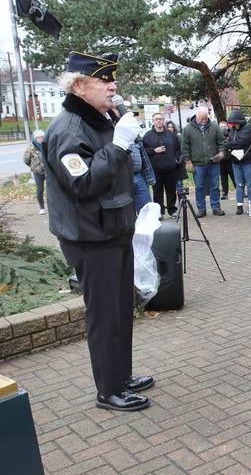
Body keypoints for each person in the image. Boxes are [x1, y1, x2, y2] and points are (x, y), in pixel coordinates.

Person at [43, 51, 153, 412]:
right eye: (103, 80)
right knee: (105, 315)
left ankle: (120, 375)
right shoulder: (69, 130)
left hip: (111, 231)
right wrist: (119, 144)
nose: (113, 85)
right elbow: (84, 182)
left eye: (113, 79)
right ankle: (108, 390)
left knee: (122, 308)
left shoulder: (101, 119)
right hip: (90, 238)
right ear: (79, 86)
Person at [181, 106, 226, 217]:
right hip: (197, 164)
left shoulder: (214, 127)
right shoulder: (188, 129)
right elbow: (184, 147)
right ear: (197, 116)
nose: (204, 121)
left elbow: (222, 142)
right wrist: (188, 161)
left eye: (205, 118)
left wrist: (221, 153)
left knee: (215, 186)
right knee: (199, 187)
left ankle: (216, 207)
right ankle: (201, 209)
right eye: (202, 119)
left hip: (213, 162)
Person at [143, 112, 181, 217]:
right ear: (153, 121)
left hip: (170, 168)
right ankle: (159, 212)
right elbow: (144, 150)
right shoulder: (148, 135)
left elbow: (178, 148)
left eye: (160, 119)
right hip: (156, 169)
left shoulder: (171, 134)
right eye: (156, 119)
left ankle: (172, 210)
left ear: (163, 120)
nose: (159, 121)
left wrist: (176, 159)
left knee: (171, 190)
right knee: (157, 192)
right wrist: (154, 150)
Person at [226, 109, 251, 219]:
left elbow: (240, 143)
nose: (233, 126)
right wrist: (230, 144)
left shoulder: (248, 128)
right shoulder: (232, 129)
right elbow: (233, 142)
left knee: (250, 184)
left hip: (249, 160)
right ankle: (239, 205)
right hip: (236, 161)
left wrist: (229, 144)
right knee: (239, 184)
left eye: (234, 124)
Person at [23, 129, 47, 215]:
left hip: (48, 172)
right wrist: (34, 167)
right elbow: (26, 160)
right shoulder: (30, 148)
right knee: (40, 190)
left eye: (42, 137)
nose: (40, 139)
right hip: (38, 172)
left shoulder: (46, 146)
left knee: (51, 190)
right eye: (38, 137)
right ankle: (42, 208)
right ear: (35, 138)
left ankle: (52, 206)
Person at [130, 132, 155, 213]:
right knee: (128, 211)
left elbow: (144, 158)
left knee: (146, 207)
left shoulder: (136, 139)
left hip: (138, 175)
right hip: (123, 177)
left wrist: (149, 178)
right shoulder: (115, 137)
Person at [217, 120, 235, 200]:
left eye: (225, 126)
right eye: (221, 127)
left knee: (234, 176)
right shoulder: (217, 136)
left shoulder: (231, 135)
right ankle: (225, 192)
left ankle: (240, 190)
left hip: (231, 159)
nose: (223, 128)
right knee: (223, 178)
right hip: (221, 161)